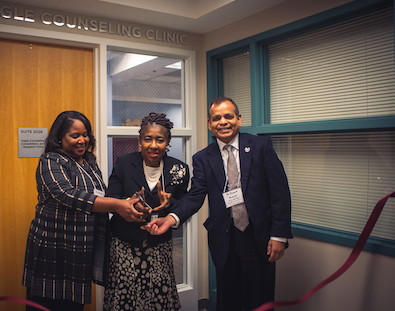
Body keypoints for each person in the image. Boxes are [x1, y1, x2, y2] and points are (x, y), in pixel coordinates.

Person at [143, 98, 292, 311]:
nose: (223, 121)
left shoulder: (260, 146)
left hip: (259, 237)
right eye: (217, 118)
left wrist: (278, 235)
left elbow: (280, 192)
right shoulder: (203, 158)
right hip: (225, 239)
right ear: (209, 124)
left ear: (238, 119)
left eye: (228, 116)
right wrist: (171, 218)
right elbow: (195, 196)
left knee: (260, 300)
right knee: (228, 300)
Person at [22, 111, 145, 311]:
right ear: (59, 138)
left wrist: (127, 202)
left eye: (85, 134)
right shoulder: (51, 161)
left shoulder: (89, 161)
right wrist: (116, 205)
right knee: (48, 303)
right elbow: (66, 194)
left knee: (73, 303)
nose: (82, 140)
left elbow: (100, 195)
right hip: (55, 247)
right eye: (75, 135)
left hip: (80, 246)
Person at [103, 112, 190, 311]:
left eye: (160, 140)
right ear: (140, 141)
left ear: (167, 142)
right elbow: (111, 197)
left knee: (159, 295)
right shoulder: (124, 162)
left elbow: (185, 206)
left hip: (159, 244)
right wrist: (128, 204)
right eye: (147, 139)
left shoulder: (179, 169)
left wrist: (170, 204)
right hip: (124, 243)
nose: (153, 145)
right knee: (124, 297)